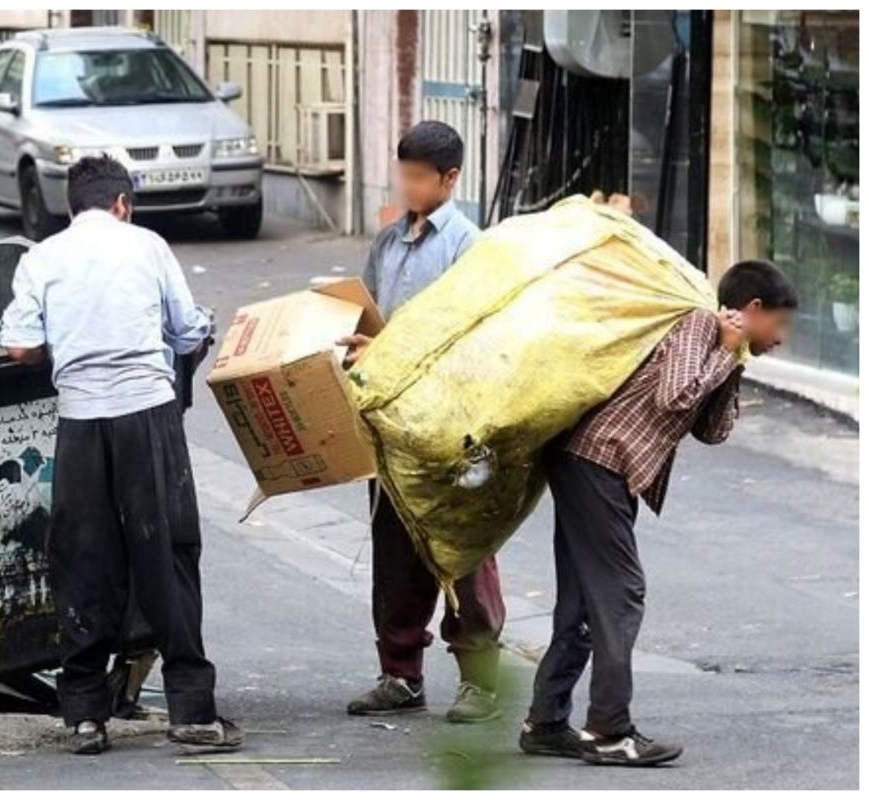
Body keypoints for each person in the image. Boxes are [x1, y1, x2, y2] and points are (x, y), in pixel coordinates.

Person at [0, 155, 242, 756]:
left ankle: (83, 715)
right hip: (147, 419)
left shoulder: (42, 257)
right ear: (123, 203)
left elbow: (21, 346)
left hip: (80, 424)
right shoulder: (148, 246)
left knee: (85, 561)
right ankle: (191, 713)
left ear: (72, 206)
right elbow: (188, 332)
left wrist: (69, 346)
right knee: (169, 556)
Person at [519, 260, 798, 766]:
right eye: (778, 324)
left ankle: (546, 723)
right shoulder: (697, 323)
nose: (779, 339)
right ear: (752, 309)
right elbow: (674, 397)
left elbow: (711, 431)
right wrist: (724, 350)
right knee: (621, 593)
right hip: (597, 458)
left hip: (602, 467)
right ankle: (609, 730)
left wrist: (731, 360)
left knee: (584, 600)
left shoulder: (723, 345)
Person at [339, 120, 507, 724]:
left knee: (461, 549)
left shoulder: (469, 246)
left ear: (450, 178)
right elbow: (376, 321)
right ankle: (400, 673)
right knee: (395, 552)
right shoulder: (387, 244)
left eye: (418, 177)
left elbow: (468, 336)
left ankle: (481, 681)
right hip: (389, 423)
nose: (407, 186)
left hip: (452, 425)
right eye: (401, 174)